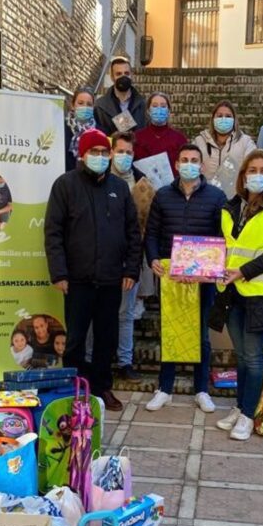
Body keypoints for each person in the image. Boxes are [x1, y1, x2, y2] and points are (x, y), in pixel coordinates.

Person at [45, 128, 142, 411]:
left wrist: (131, 270)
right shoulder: (65, 185)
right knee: (75, 340)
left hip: (112, 278)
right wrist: (59, 273)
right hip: (77, 279)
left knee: (106, 338)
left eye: (104, 152)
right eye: (94, 152)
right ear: (82, 154)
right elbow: (53, 232)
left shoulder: (119, 188)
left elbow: (132, 232)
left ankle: (102, 389)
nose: (99, 157)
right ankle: (74, 391)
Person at [215, 150, 263, 440]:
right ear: (243, 175)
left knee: (254, 357)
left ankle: (249, 416)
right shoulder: (231, 206)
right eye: (252, 170)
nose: (256, 175)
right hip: (232, 292)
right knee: (241, 355)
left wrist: (244, 271)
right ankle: (239, 406)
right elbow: (221, 246)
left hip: (261, 294)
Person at [144, 144, 227, 414]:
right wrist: (153, 258)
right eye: (184, 160)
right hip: (171, 277)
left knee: (201, 334)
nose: (189, 164)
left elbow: (222, 238)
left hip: (202, 281)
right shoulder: (163, 196)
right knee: (170, 331)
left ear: (202, 166)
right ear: (176, 165)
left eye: (194, 160)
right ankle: (164, 389)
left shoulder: (216, 197)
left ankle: (201, 389)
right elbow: (152, 233)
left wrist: (208, 270)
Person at [109, 131, 157, 381]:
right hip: (104, 259)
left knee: (126, 314)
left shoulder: (143, 184)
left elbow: (147, 225)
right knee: (101, 314)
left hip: (131, 257)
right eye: (120, 151)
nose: (124, 156)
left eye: (129, 152)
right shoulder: (100, 180)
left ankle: (125, 362)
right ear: (110, 152)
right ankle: (98, 359)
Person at [194, 100, 258, 198]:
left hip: (235, 201)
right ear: (213, 119)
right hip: (204, 199)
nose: (223, 119)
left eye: (228, 116)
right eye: (219, 116)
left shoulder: (246, 142)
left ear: (234, 120)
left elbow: (252, 170)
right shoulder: (199, 141)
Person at [134, 92, 187, 177]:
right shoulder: (137, 137)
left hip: (172, 188)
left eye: (163, 106)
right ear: (148, 110)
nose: (159, 109)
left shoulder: (179, 139)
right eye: (154, 106)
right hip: (144, 187)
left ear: (168, 111)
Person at [94, 57, 147, 135]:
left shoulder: (143, 104)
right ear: (112, 77)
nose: (123, 77)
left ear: (131, 75)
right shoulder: (100, 106)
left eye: (126, 73)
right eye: (119, 74)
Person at [64, 87, 97, 171]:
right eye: (80, 103)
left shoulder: (100, 132)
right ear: (72, 105)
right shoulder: (61, 128)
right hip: (64, 179)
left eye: (89, 104)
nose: (85, 107)